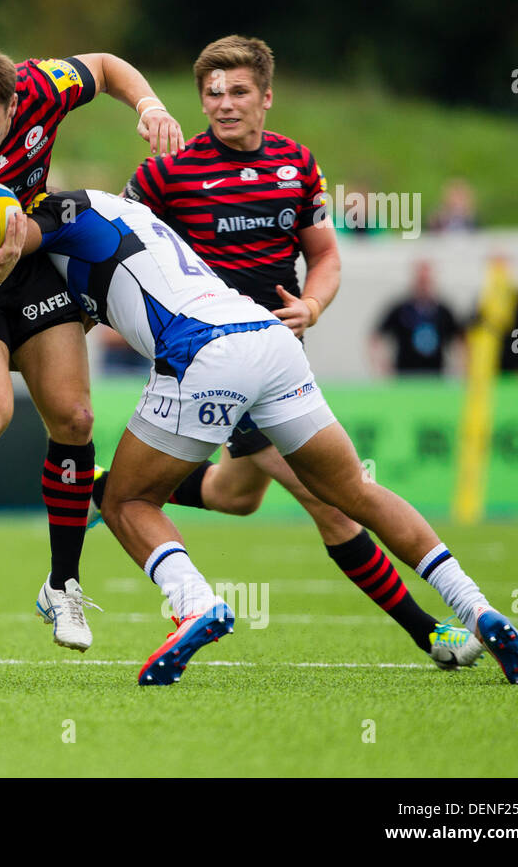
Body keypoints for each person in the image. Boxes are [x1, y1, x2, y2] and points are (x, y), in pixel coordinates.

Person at [0, 189, 518, 684]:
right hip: (268, 337)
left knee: (129, 500)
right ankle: (478, 608)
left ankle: (197, 605)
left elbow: (9, 244)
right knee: (352, 494)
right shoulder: (116, 228)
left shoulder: (60, 212)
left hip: (203, 352)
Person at [89, 35, 480, 668]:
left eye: (238, 91)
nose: (223, 104)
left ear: (267, 97)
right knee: (331, 501)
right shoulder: (166, 173)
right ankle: (428, 630)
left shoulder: (296, 163)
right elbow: (115, 250)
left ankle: (103, 488)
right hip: (214, 360)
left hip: (280, 357)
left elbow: (324, 255)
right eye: (212, 93)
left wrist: (313, 306)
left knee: (237, 495)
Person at [0, 43, 183, 651]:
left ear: (14, 102)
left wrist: (149, 103)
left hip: (29, 264)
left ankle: (63, 585)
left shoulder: (43, 87)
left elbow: (104, 67)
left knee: (76, 418)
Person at [371, 261, 462, 375]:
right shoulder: (401, 309)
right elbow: (376, 337)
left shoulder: (443, 311)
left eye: (426, 281)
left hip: (436, 378)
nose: (424, 286)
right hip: (405, 378)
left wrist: (460, 367)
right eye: (421, 281)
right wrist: (382, 365)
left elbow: (460, 340)